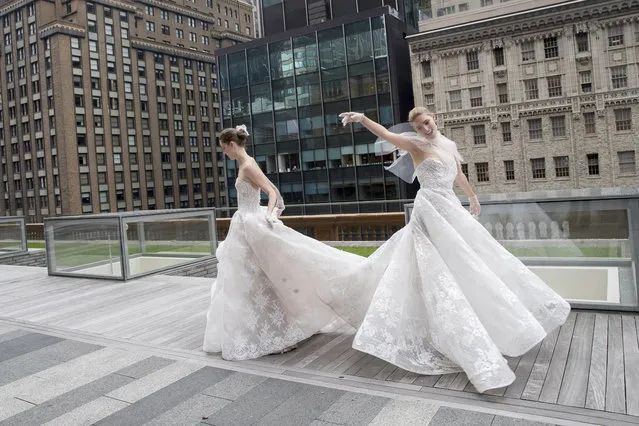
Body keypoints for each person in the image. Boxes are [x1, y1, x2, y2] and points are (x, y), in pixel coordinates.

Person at [317, 108, 571, 393]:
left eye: (426, 122)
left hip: (451, 209)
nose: (425, 129)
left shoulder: (448, 146)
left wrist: (473, 197)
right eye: (419, 126)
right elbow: (386, 135)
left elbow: (459, 174)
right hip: (430, 210)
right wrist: (362, 119)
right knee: (436, 269)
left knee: (470, 263)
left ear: (434, 118)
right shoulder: (416, 145)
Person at [202, 125, 362, 360]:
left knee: (257, 279)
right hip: (245, 223)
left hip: (250, 222)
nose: (225, 153)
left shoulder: (247, 166)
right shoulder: (248, 163)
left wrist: (269, 216)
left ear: (231, 145)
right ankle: (263, 330)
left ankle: (275, 332)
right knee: (250, 280)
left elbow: (272, 193)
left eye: (224, 149)